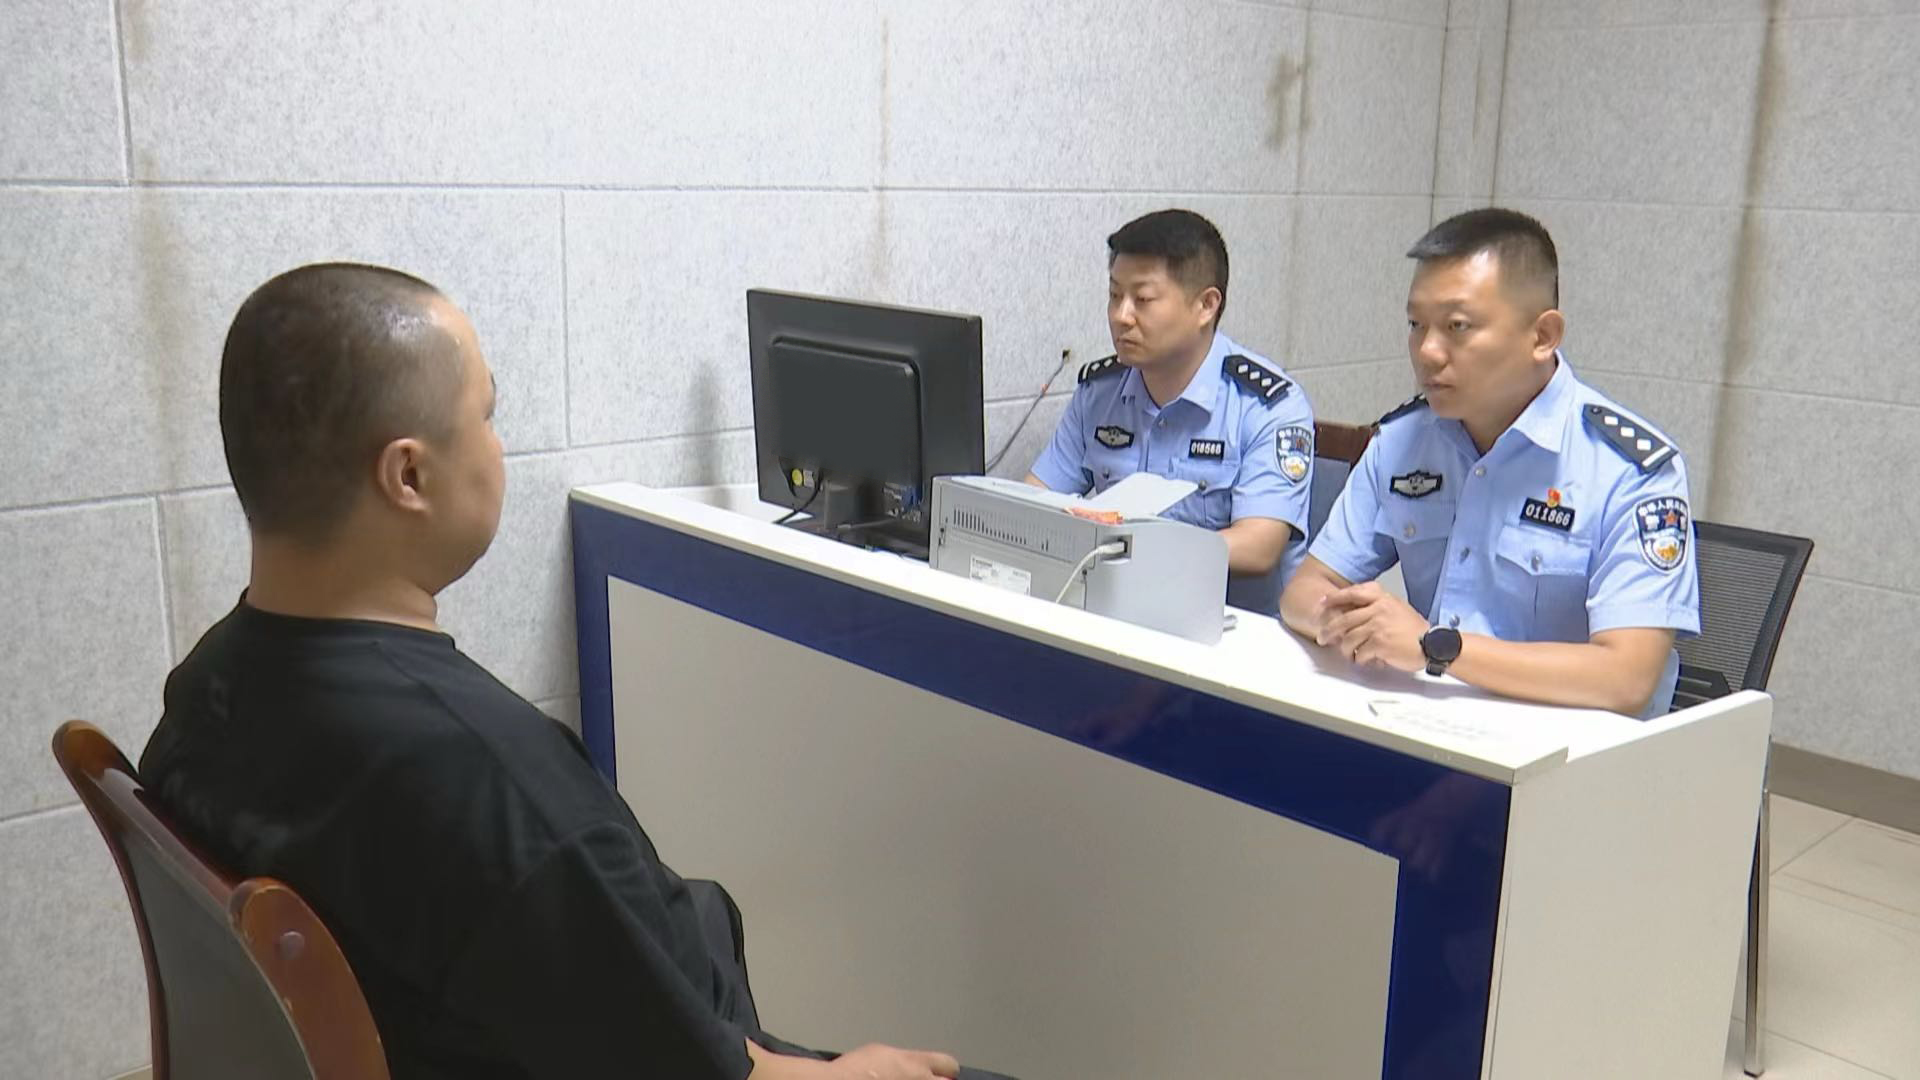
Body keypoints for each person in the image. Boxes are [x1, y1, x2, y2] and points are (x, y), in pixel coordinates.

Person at [141, 263, 1008, 1080]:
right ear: (409, 474)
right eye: (487, 415)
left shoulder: (206, 691)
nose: (497, 446)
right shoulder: (489, 787)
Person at [1279, 209, 1700, 718]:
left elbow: (1626, 678)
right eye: (1416, 324)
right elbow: (1304, 592)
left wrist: (1437, 648)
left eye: (1457, 326)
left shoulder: (1630, 470)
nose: (1427, 352)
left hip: (1571, 747)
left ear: (1543, 336)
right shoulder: (1402, 441)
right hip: (1431, 724)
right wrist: (1352, 623)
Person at [1028, 209, 1315, 587]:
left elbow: (1258, 546)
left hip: (1224, 618)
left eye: (1143, 299)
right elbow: (1034, 500)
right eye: (1115, 295)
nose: (1121, 316)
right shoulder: (1099, 393)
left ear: (1206, 306)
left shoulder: (1267, 407)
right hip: (1117, 608)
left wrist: (1125, 546)